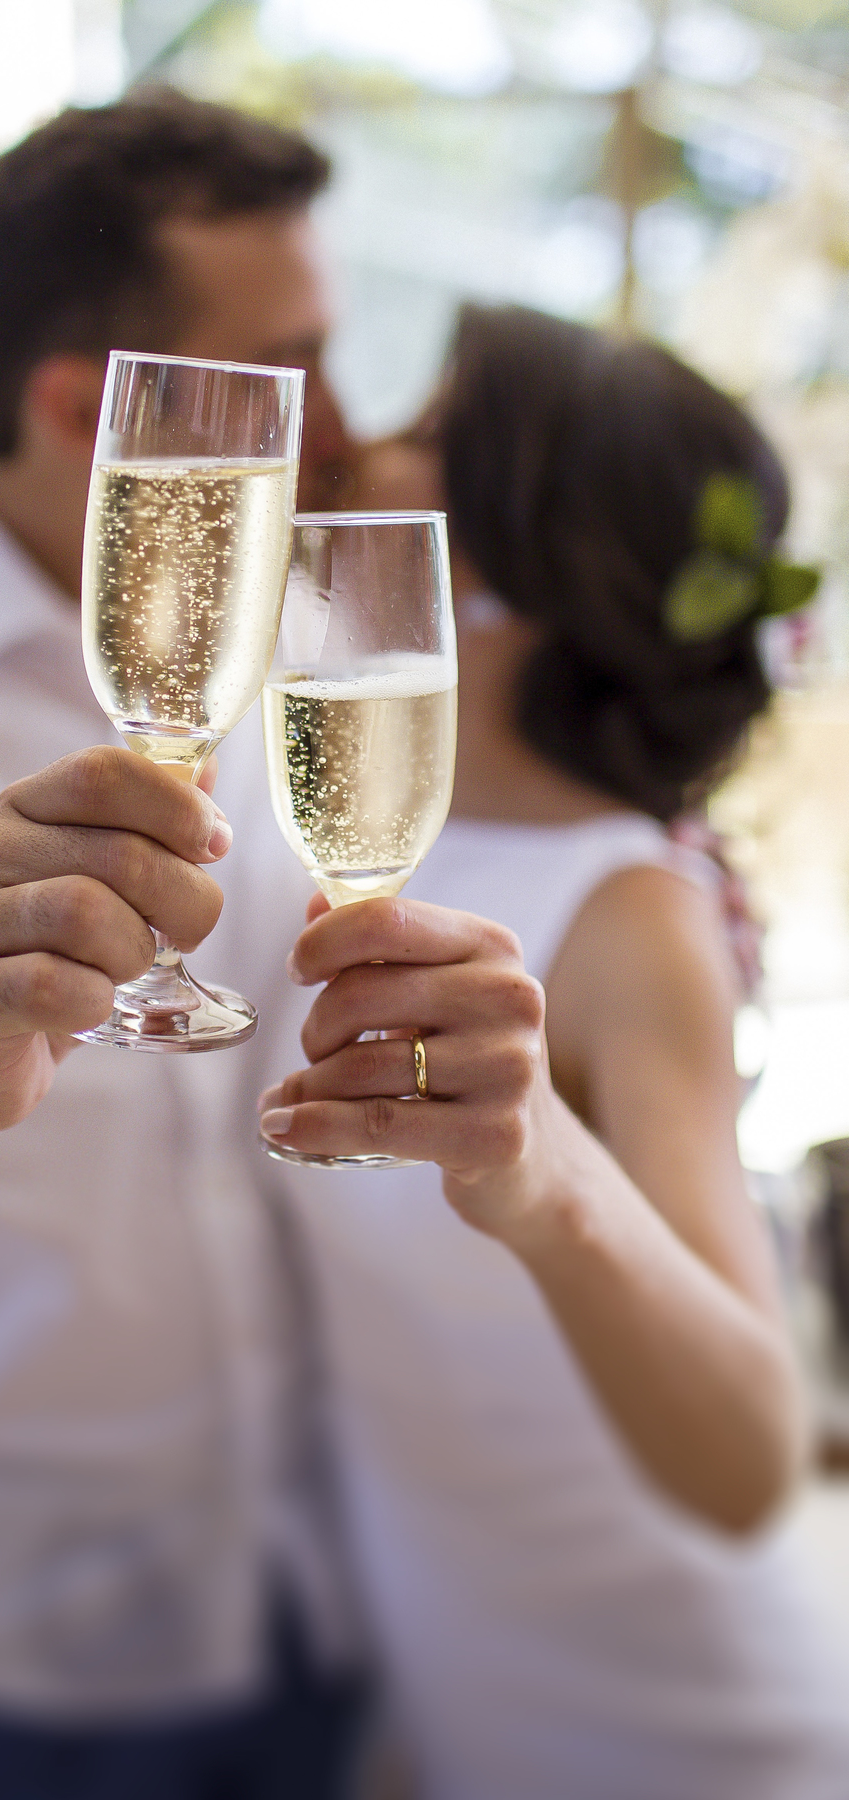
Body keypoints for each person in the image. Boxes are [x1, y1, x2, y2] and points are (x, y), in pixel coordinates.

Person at [0, 94, 541, 1800]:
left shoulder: (314, 644)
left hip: (340, 1603)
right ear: (98, 413)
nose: (345, 424)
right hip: (14, 1674)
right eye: (285, 372)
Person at [258, 304, 849, 1797]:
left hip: (667, 1738)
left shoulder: (627, 911)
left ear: (497, 576)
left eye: (430, 430)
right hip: (454, 1707)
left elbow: (749, 1460)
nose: (365, 442)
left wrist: (542, 1177)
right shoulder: (364, 836)